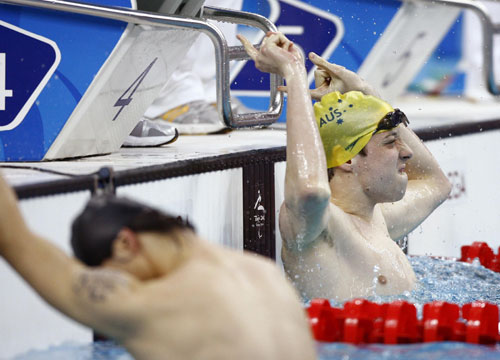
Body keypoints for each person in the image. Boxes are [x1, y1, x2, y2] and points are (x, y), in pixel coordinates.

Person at [0, 175, 316, 360]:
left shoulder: (151, 305)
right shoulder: (264, 273)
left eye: (110, 273)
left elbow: (15, 239)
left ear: (124, 244)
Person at [238, 32, 452, 302]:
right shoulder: (320, 228)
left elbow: (437, 184)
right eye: (390, 142)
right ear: (347, 160)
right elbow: (309, 192)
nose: (407, 152)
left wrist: (366, 93)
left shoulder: (379, 220)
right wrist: (293, 75)